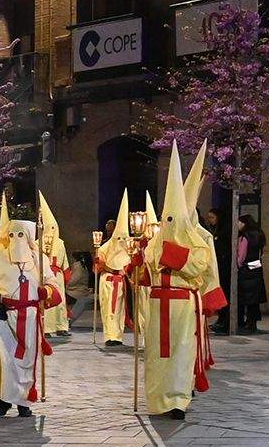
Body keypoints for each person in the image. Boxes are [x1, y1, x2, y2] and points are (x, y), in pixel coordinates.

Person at [133, 146, 226, 420]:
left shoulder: (197, 242)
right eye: (167, 218)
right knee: (156, 354)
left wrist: (169, 253)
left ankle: (177, 400)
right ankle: (157, 398)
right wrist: (138, 260)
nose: (170, 224)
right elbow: (146, 273)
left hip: (183, 305)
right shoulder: (155, 242)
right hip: (156, 303)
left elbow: (199, 265)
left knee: (181, 352)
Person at [0, 197, 58, 418]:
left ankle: (24, 400)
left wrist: (45, 291)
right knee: (8, 360)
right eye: (12, 235)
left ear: (28, 237)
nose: (15, 239)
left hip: (29, 317)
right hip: (4, 318)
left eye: (20, 235)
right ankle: (6, 399)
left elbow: (53, 283)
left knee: (26, 359)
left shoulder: (39, 259)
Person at [94, 192, 134, 346]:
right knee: (108, 309)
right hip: (108, 281)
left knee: (120, 310)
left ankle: (117, 335)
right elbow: (97, 267)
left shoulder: (131, 248)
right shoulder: (104, 247)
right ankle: (109, 335)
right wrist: (99, 261)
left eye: (124, 238)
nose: (122, 241)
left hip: (122, 282)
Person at [38, 193, 73, 338]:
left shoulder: (60, 243)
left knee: (60, 301)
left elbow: (64, 260)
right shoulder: (36, 243)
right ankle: (46, 327)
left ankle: (61, 326)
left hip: (57, 275)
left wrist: (66, 275)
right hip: (45, 275)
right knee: (47, 300)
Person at [204, 208, 231, 333]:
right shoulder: (213, 230)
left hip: (224, 266)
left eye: (212, 217)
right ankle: (221, 319)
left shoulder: (224, 231)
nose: (210, 220)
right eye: (208, 217)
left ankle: (226, 321)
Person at [238, 212, 265, 333]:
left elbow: (241, 256)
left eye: (239, 222)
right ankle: (252, 322)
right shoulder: (259, 235)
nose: (237, 225)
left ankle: (246, 323)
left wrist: (238, 265)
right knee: (254, 299)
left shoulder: (245, 237)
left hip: (246, 271)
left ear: (245, 224)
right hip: (257, 268)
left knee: (245, 298)